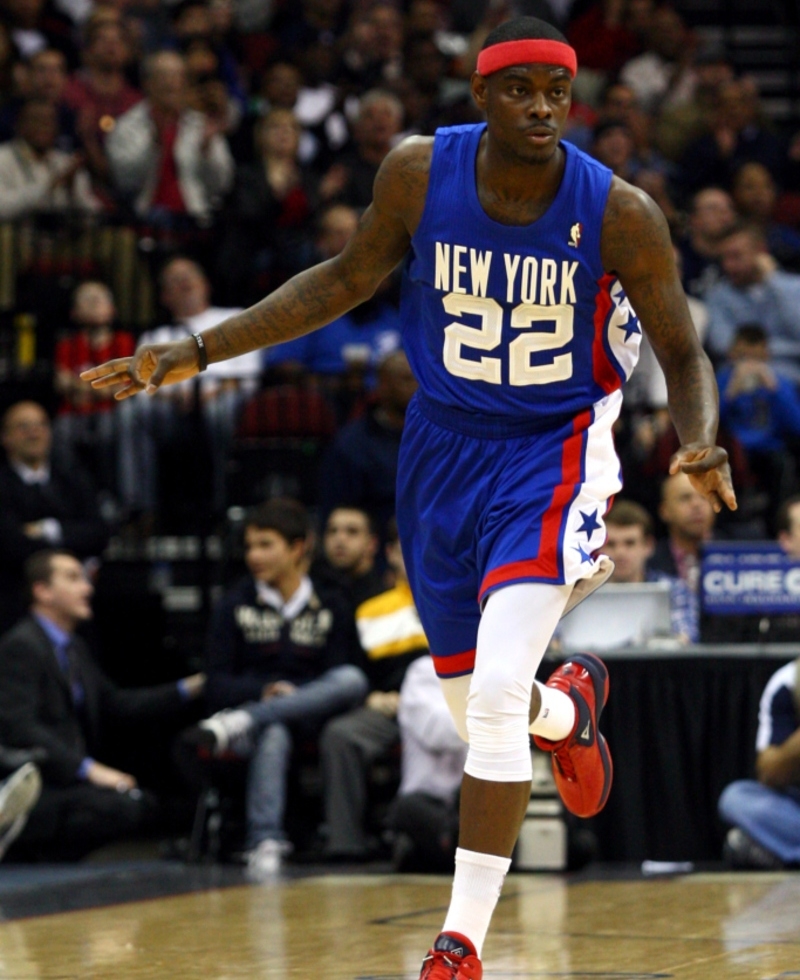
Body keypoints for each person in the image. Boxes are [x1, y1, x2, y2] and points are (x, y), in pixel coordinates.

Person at [83, 17, 736, 979]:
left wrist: (698, 437)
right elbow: (345, 279)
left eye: (557, 93)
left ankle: (459, 943)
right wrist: (200, 347)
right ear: (479, 97)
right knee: (486, 704)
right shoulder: (420, 172)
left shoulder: (619, 210)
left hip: (552, 452)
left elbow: (681, 349)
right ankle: (571, 714)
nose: (543, 109)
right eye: (521, 91)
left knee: (494, 697)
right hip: (439, 450)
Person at [185, 498, 368, 878]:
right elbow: (216, 682)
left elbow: (342, 675)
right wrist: (265, 690)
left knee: (352, 679)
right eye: (250, 546)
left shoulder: (331, 602)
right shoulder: (234, 604)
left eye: (265, 544)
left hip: (311, 713)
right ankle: (265, 840)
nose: (254, 555)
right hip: (256, 722)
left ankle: (247, 721)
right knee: (274, 730)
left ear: (298, 547)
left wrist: (293, 693)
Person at [0, 549, 206, 860]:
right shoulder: (22, 645)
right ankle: (17, 839)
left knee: (139, 803)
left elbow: (118, 704)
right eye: (73, 578)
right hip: (36, 782)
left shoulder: (74, 648)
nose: (87, 588)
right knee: (115, 807)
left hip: (67, 784)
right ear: (42, 591)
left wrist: (189, 688)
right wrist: (89, 770)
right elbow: (20, 728)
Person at [319, 516, 428, 861]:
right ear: (392, 553)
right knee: (340, 734)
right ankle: (345, 844)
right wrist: (372, 697)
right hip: (391, 709)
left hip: (449, 707)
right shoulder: (368, 608)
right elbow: (352, 671)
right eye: (407, 546)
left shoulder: (465, 601)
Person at [0, 400, 110, 633]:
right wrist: (71, 543)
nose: (34, 433)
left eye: (41, 425)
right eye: (23, 426)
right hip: (16, 599)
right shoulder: (3, 485)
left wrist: (50, 530)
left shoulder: (71, 476)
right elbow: (11, 544)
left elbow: (99, 533)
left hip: (77, 605)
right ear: (5, 438)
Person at [317, 349, 417, 534]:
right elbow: (338, 512)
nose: (418, 385)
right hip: (374, 547)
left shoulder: (439, 437)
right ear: (383, 385)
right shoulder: (352, 444)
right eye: (407, 379)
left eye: (420, 377)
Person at [53, 280, 135, 497]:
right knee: (61, 432)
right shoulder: (67, 345)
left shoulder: (123, 342)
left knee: (109, 431)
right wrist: (102, 387)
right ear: (74, 312)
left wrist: (80, 386)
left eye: (98, 300)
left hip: (110, 413)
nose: (93, 304)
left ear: (112, 310)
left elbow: (123, 388)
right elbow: (60, 383)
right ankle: (72, 496)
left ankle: (113, 496)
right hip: (72, 414)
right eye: (86, 300)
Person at [388, 652, 469, 872]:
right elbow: (438, 732)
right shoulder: (423, 670)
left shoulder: (490, 667)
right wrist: (490, 715)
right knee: (409, 809)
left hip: (469, 797)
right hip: (427, 798)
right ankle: (447, 846)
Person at [718, 658, 800, 869]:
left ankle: (775, 850)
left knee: (740, 840)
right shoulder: (787, 682)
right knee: (735, 797)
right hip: (794, 801)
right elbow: (768, 774)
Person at [704, 222, 800, 382]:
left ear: (760, 252)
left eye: (736, 256)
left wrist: (773, 280)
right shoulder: (717, 296)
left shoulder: (794, 287)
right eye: (724, 258)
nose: (728, 266)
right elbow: (723, 344)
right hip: (736, 376)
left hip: (791, 375)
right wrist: (787, 349)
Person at [603, 499, 696, 642]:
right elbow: (557, 644)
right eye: (611, 544)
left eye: (630, 543)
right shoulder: (578, 592)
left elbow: (685, 639)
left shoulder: (674, 590)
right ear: (599, 548)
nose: (620, 552)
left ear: (648, 546)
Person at [312, 506, 385, 611]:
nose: (340, 539)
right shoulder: (311, 595)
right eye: (332, 531)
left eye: (352, 531)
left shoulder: (386, 599)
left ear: (372, 544)